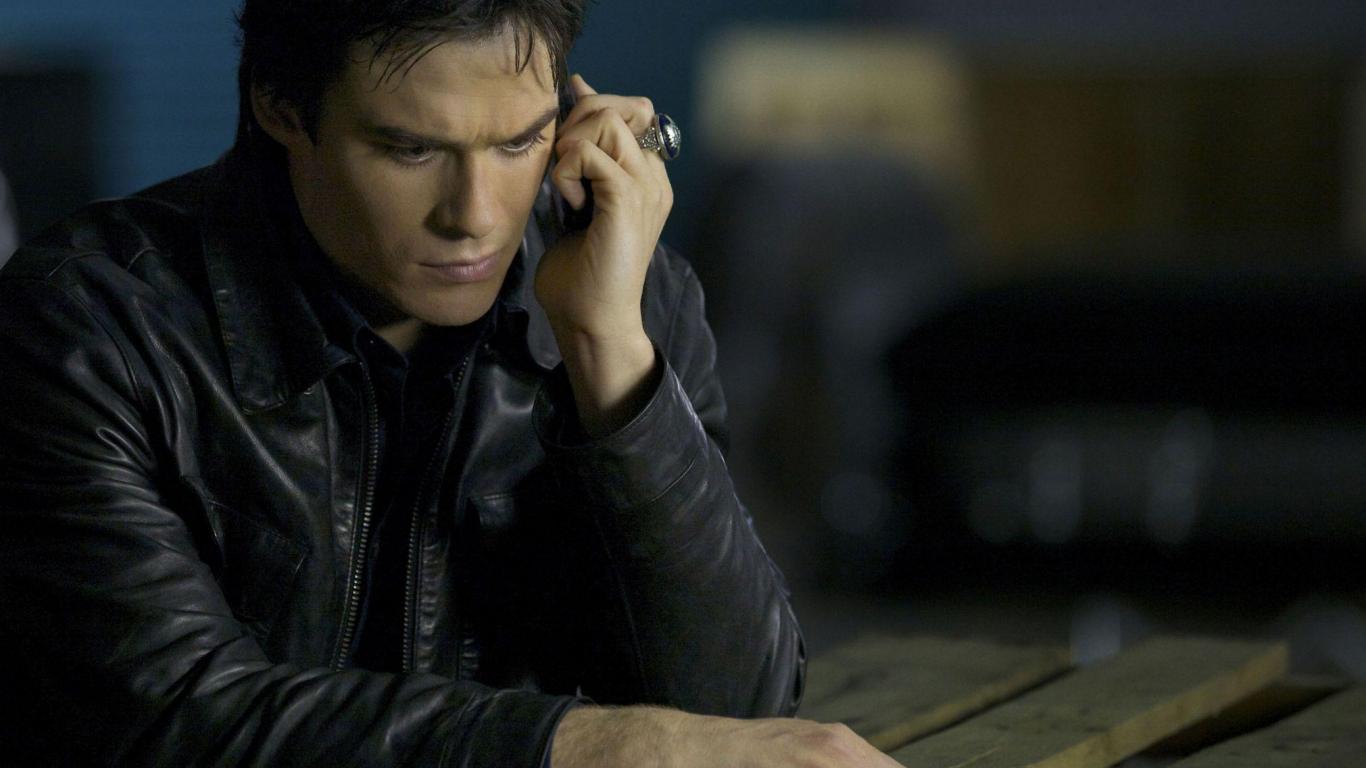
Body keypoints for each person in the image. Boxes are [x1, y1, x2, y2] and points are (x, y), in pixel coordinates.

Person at [0, 1, 902, 766]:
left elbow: (741, 707)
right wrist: (597, 746)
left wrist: (607, 350)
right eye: (409, 150)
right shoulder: (87, 327)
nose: (475, 216)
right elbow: (173, 719)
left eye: (519, 141)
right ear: (280, 106)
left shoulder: (625, 293)